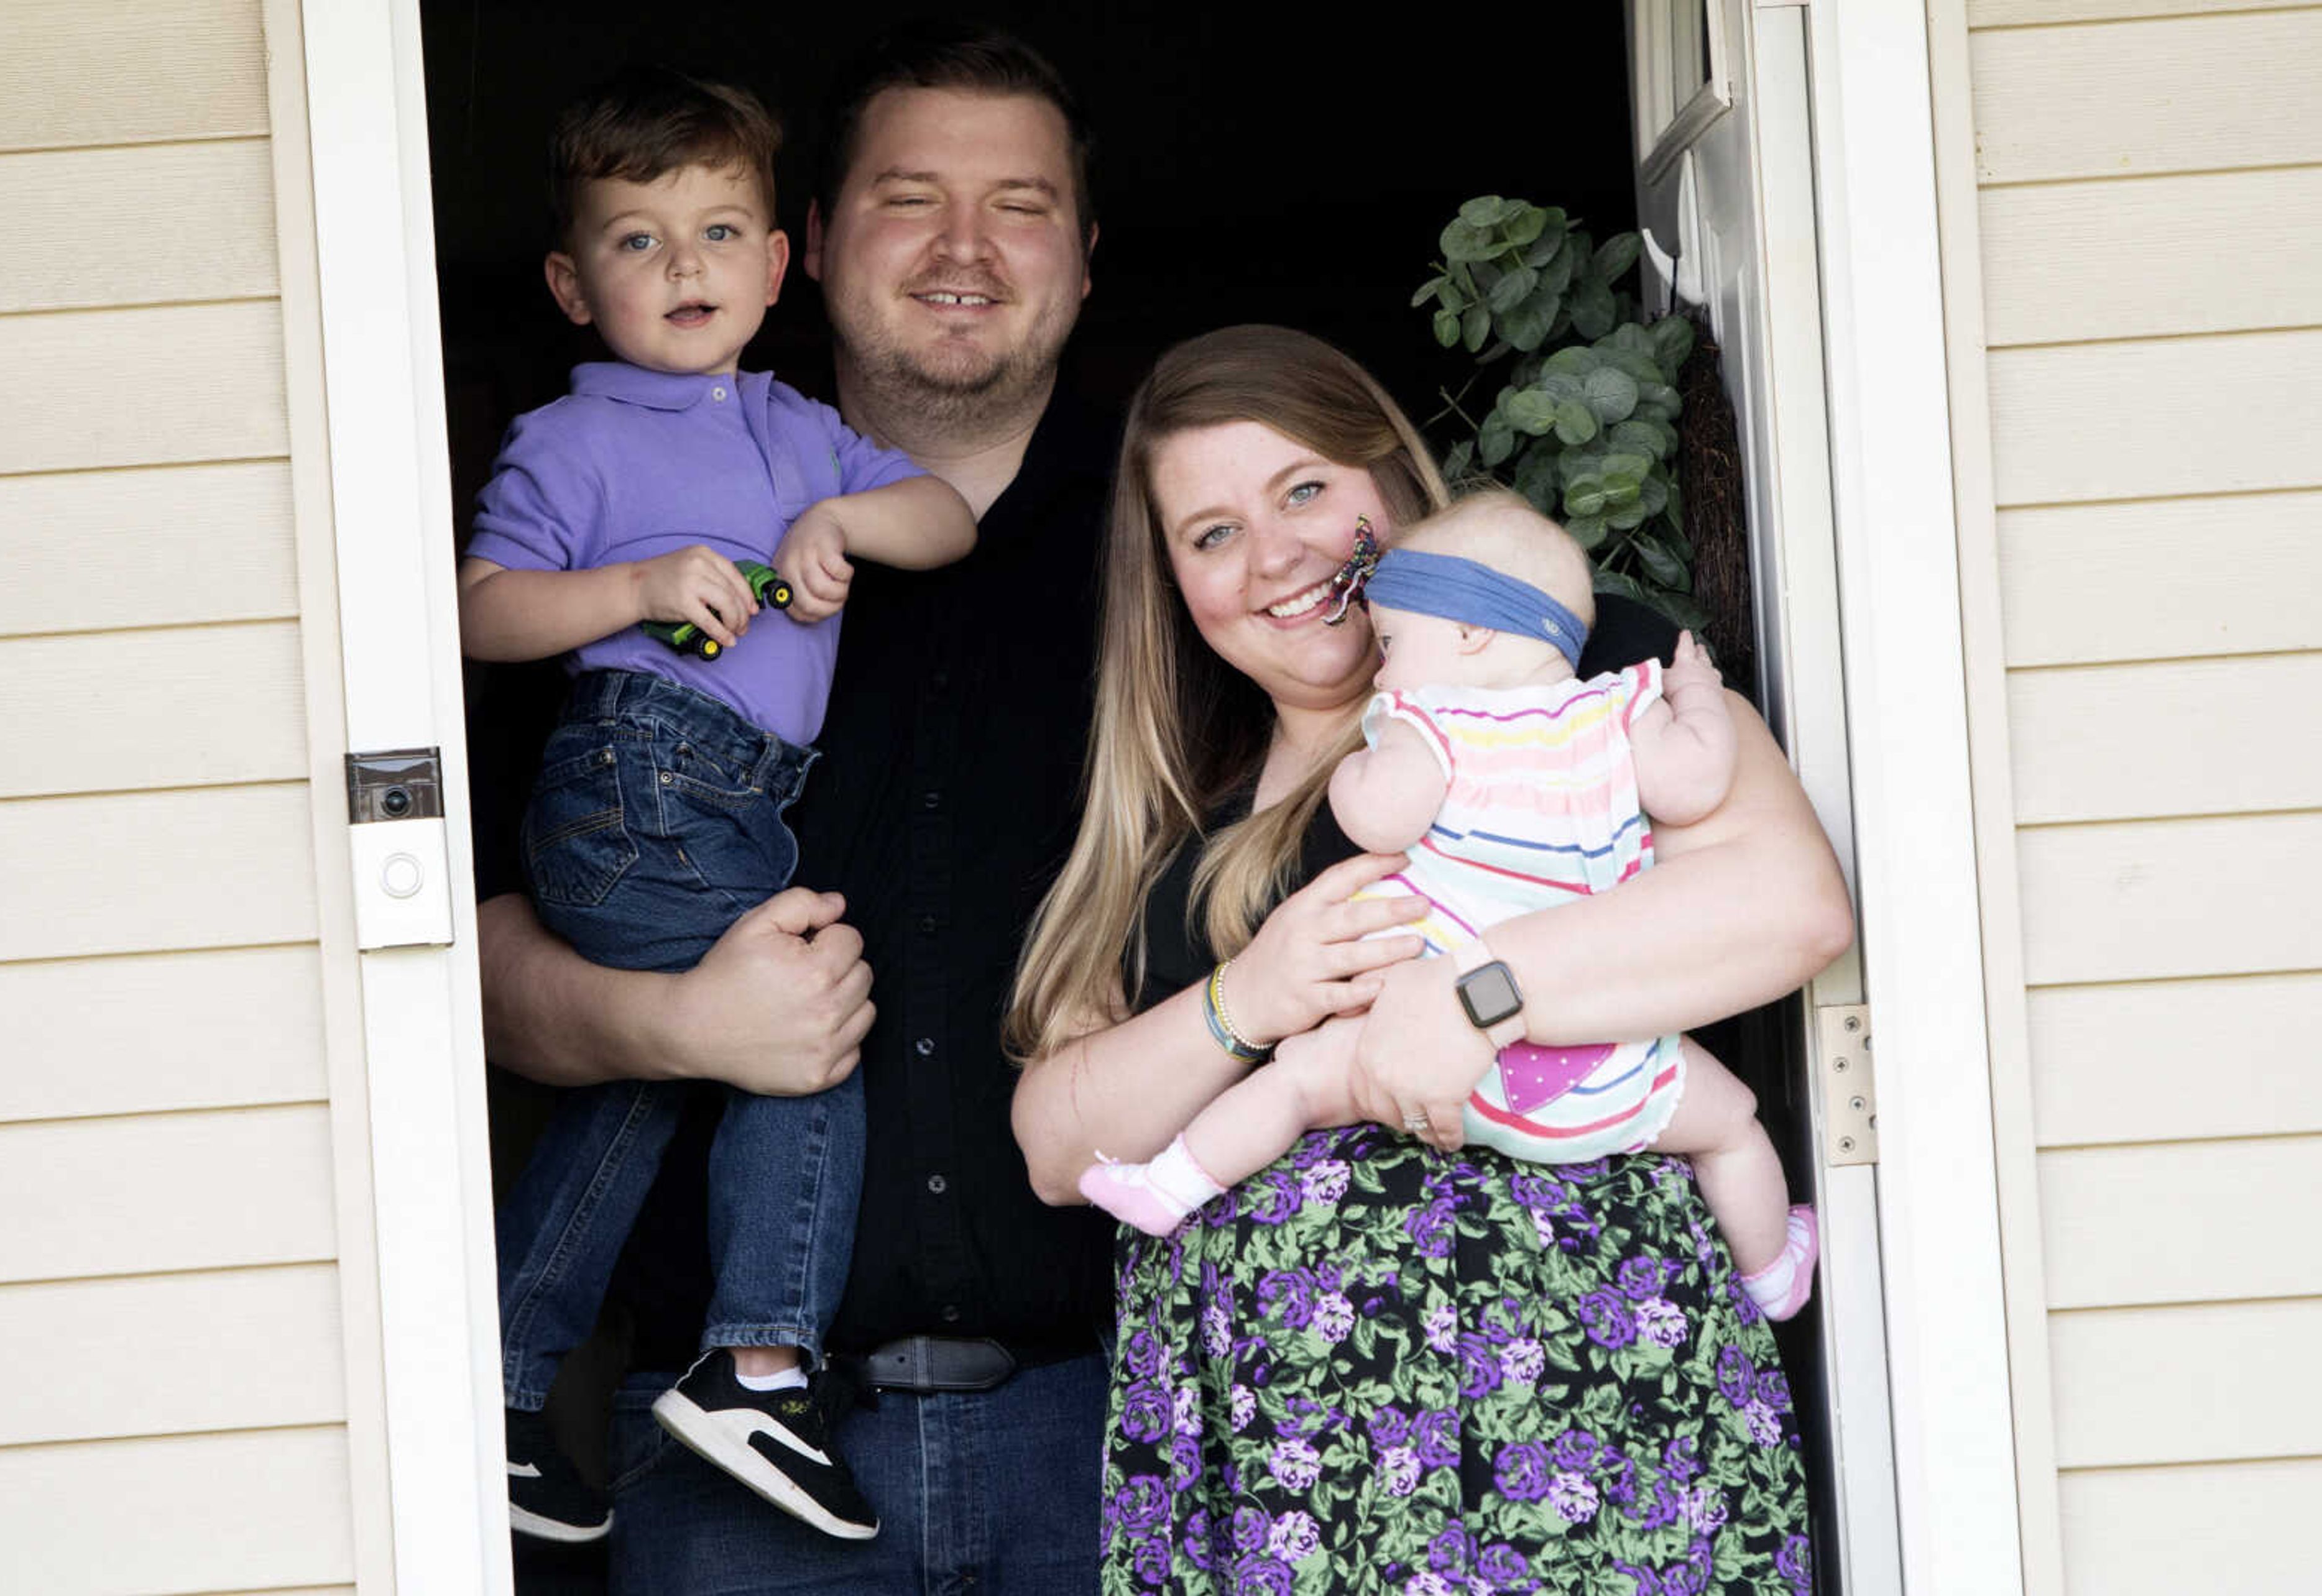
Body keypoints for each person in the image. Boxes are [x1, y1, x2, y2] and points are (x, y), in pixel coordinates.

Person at [1008, 326, 1850, 1592]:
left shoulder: (1577, 679)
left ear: (1393, 486)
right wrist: (1252, 1000)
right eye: (1214, 532)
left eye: (1305, 490)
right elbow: (1055, 1148)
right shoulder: (1175, 829)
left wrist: (1479, 996)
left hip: (1582, 1411)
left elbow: (1786, 906)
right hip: (1292, 1470)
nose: (1278, 555)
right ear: (1174, 584)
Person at [473, 22, 1116, 1593]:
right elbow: (461, 960)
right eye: (911, 196)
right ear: (811, 248)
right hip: (719, 1480)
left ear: (1088, 260)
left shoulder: (1188, 553)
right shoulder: (625, 516)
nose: (966, 247)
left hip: (1117, 1426)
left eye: (1019, 206)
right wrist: (679, 1027)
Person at [1077, 492, 1821, 1321]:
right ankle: (1776, 1275)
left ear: (1467, 635)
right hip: (1605, 1067)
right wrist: (1698, 697)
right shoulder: (1619, 709)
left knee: (1294, 1083)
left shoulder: (1429, 721)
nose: (1381, 664)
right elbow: (1694, 780)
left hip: (1437, 1066)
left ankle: (1168, 1185)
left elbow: (1378, 816)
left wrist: (1370, 748)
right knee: (1732, 1126)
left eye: (1390, 642)